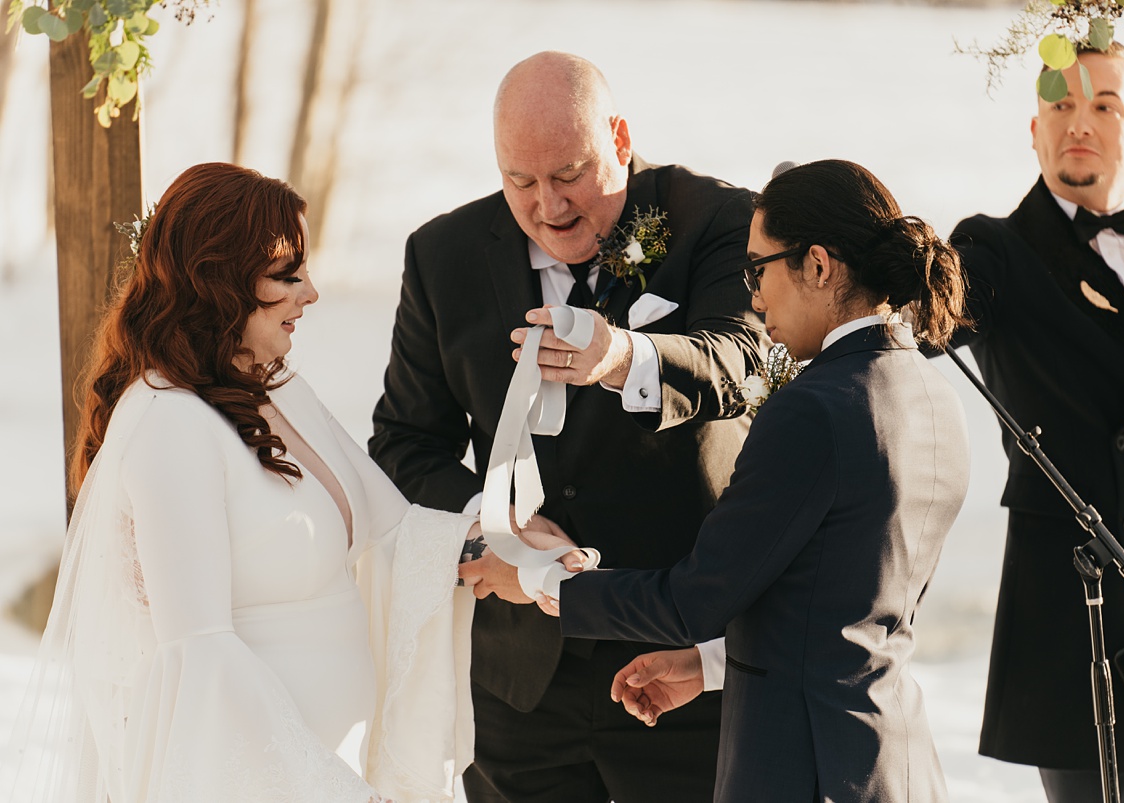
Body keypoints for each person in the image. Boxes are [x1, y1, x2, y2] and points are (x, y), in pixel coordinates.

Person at [5, 162, 575, 803]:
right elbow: (201, 656)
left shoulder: (274, 388)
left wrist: (505, 549)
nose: (311, 293)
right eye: (287, 275)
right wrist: (329, 789)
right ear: (216, 281)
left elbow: (394, 537)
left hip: (335, 763)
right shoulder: (167, 421)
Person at [473, 158, 974, 802]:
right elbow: (846, 610)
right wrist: (710, 667)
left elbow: (694, 598)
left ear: (818, 266)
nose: (754, 296)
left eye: (758, 268)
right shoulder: (934, 396)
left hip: (803, 770)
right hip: (892, 761)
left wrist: (539, 579)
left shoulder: (814, 406)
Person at [368, 51, 764, 802]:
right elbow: (404, 442)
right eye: (521, 181)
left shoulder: (715, 219)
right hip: (520, 679)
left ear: (618, 138)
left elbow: (741, 362)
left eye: (569, 175)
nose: (548, 204)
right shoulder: (441, 256)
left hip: (678, 655)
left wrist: (623, 355)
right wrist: (498, 526)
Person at [947, 42, 1124, 801]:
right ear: (1034, 130)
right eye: (1061, 105)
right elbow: (936, 311)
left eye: (1104, 104)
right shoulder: (992, 250)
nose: (1080, 122)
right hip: (1077, 592)